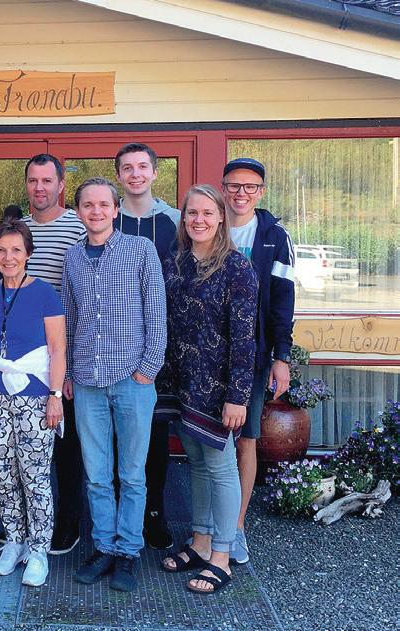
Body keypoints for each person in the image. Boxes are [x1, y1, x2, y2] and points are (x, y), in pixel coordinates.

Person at [62, 177, 166, 592]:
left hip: (132, 379)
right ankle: (103, 547)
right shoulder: (72, 258)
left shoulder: (140, 251)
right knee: (97, 474)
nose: (96, 211)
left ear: (115, 209)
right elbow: (69, 319)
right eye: (88, 205)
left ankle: (128, 551)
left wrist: (148, 368)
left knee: (133, 473)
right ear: (79, 211)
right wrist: (68, 371)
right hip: (87, 380)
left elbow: (157, 312)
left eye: (104, 204)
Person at [159, 184, 257, 594]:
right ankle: (200, 542)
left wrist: (238, 395)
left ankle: (222, 555)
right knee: (197, 463)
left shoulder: (237, 268)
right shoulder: (177, 262)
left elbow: (244, 338)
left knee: (220, 466)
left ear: (220, 218)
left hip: (218, 390)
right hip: (181, 382)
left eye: (206, 213)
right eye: (191, 213)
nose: (198, 220)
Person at [0, 218, 66, 587]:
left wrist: (56, 395)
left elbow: (58, 349)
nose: (8, 257)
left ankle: (39, 548)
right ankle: (13, 540)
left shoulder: (45, 293)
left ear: (28, 253)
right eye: (1, 250)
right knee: (3, 471)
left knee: (35, 475)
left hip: (35, 395)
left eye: (15, 250)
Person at [222, 158, 295, 565]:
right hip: (209, 354)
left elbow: (283, 299)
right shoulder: (209, 224)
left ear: (261, 192)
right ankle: (209, 526)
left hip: (252, 354)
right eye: (234, 185)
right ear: (224, 187)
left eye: (250, 187)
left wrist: (280, 357)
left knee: (245, 439)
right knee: (208, 441)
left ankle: (236, 527)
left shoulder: (273, 236)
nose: (241, 193)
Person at [114, 142, 181, 550]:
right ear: (119, 174)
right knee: (117, 433)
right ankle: (119, 515)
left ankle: (153, 511)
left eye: (142, 167)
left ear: (155, 173)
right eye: (127, 168)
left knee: (153, 432)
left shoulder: (175, 220)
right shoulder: (106, 217)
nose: (135, 174)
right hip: (115, 346)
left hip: (160, 343)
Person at [21, 153, 86, 555]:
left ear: (61, 185)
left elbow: (83, 299)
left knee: (66, 445)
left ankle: (68, 523)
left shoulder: (78, 228)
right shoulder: (19, 230)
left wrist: (70, 367)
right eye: (33, 180)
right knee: (28, 443)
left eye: (47, 181)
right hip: (24, 357)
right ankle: (28, 522)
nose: (40, 187)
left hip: (64, 352)